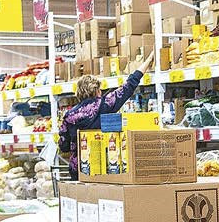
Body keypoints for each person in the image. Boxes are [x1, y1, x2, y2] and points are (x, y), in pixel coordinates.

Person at [58, 51, 154, 180]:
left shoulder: (69, 116)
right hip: (105, 166)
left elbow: (63, 146)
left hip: (79, 170)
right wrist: (148, 60)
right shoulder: (106, 103)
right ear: (97, 90)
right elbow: (129, 85)